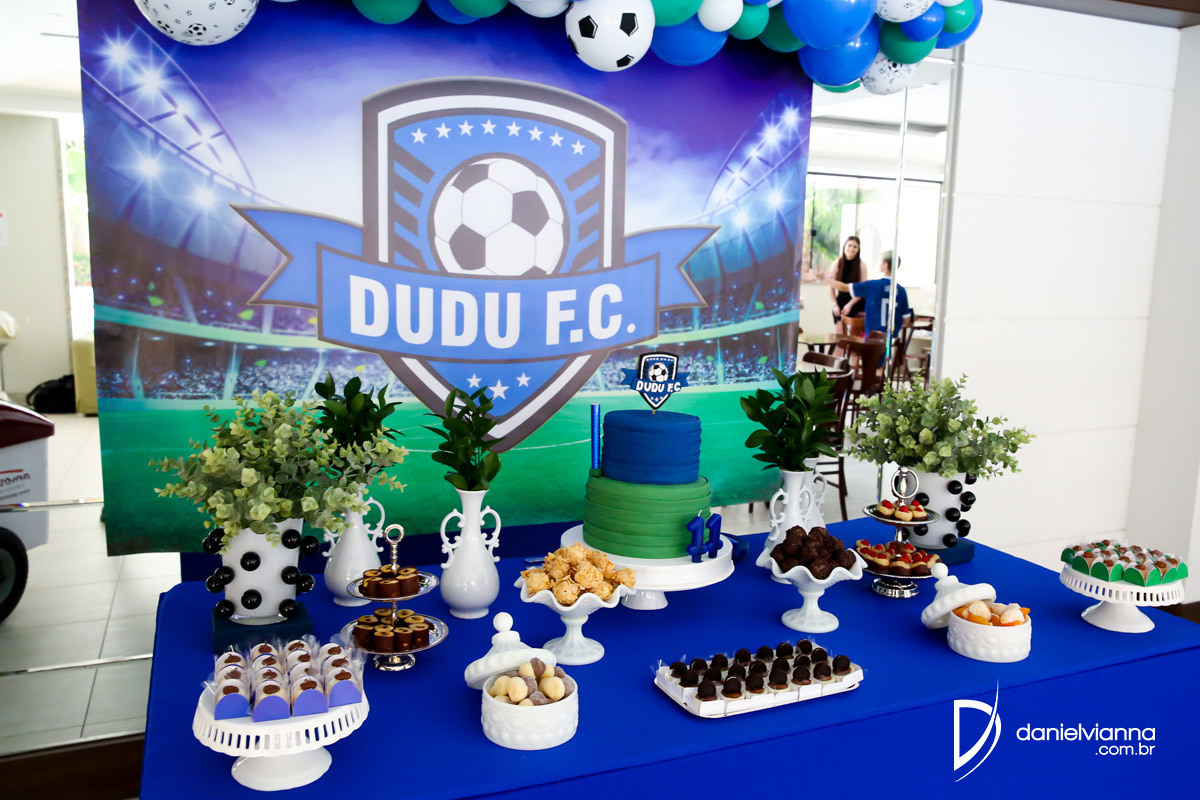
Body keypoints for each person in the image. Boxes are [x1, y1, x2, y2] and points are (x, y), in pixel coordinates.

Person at [825, 251, 912, 337]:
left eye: (880, 262)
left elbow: (844, 287)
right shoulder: (901, 291)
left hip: (871, 341)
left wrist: (823, 278)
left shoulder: (872, 286)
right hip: (892, 340)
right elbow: (906, 319)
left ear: (885, 265)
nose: (878, 264)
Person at [826, 236, 863, 332]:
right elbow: (830, 287)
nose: (851, 249)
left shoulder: (862, 265)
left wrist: (850, 305)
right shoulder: (836, 263)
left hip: (857, 301)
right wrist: (834, 305)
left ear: (858, 249)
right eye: (849, 245)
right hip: (841, 301)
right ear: (844, 246)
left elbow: (863, 289)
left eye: (855, 247)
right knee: (840, 335)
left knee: (854, 336)